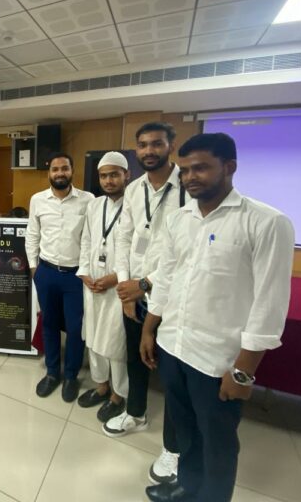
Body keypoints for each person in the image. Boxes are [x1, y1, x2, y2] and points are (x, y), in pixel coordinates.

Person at [140, 133, 294, 502]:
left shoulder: (266, 222)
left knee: (218, 443)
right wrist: (149, 328)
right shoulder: (179, 220)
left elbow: (270, 304)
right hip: (173, 347)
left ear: (229, 167)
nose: (190, 177)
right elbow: (166, 277)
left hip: (217, 361)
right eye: (185, 170)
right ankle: (188, 486)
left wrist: (243, 372)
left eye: (201, 168)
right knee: (185, 431)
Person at [107, 123, 186, 485]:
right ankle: (135, 412)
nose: (149, 150)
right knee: (135, 358)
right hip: (134, 292)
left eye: (156, 143)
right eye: (142, 145)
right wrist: (126, 286)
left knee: (173, 375)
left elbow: (184, 250)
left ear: (171, 146)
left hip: (172, 295)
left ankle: (175, 447)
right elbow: (123, 238)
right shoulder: (135, 189)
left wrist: (144, 284)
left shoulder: (189, 188)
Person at [25, 152, 94, 402]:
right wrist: (34, 268)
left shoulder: (88, 200)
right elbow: (32, 234)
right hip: (46, 272)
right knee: (50, 323)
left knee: (75, 328)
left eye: (64, 168)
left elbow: (89, 239)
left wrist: (85, 270)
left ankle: (71, 375)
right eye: (55, 169)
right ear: (49, 173)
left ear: (72, 171)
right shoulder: (38, 200)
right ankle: (52, 372)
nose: (60, 173)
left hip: (75, 276)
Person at [76, 152, 129, 422]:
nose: (108, 181)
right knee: (94, 338)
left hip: (118, 286)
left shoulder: (134, 206)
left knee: (115, 343)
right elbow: (86, 240)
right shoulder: (95, 205)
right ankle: (101, 386)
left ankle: (118, 395)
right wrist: (84, 273)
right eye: (104, 176)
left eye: (114, 175)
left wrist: (116, 277)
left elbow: (135, 251)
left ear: (126, 175)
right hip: (93, 283)